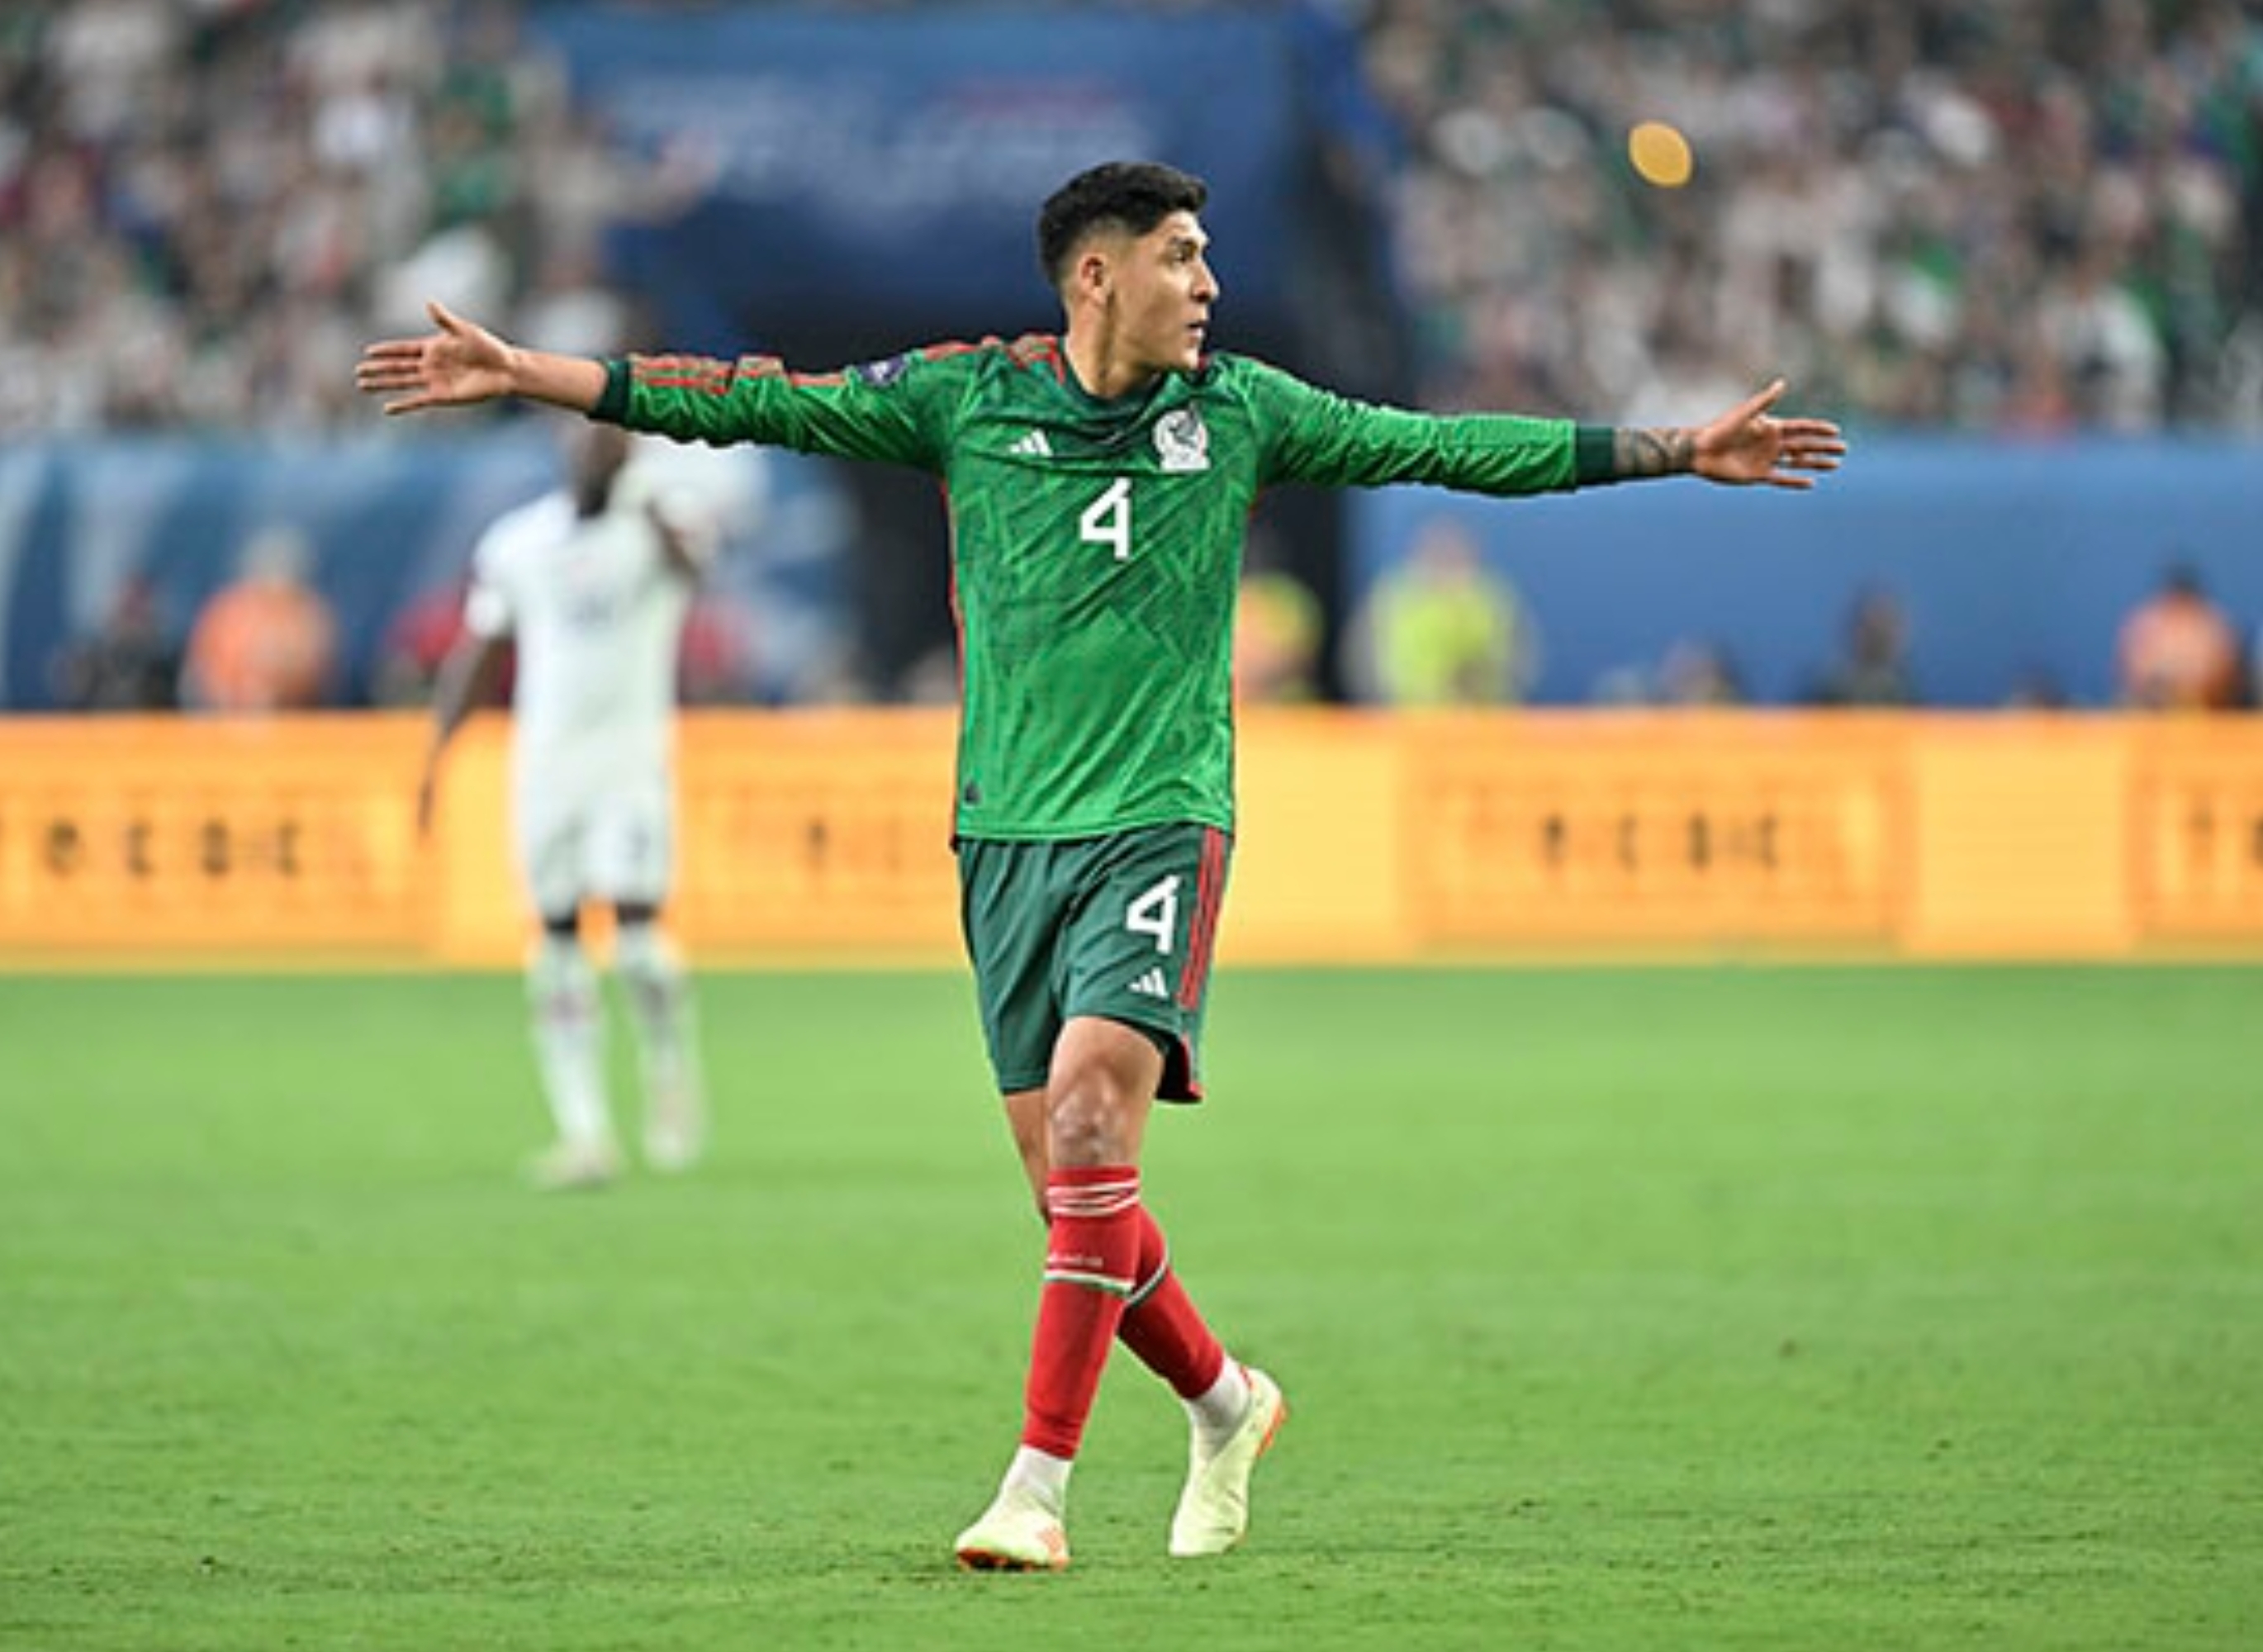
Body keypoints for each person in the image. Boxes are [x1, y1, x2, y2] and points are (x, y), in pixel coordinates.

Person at [357, 159, 1845, 1570]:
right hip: (1006, 837)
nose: (1208, 285)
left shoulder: (1243, 410)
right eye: (1181, 258)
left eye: (1208, 258)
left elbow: (1448, 447)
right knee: (1079, 1198)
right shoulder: (963, 399)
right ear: (1096, 275)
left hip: (1159, 816)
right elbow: (750, 400)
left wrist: (1674, 450)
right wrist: (529, 371)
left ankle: (1036, 1490)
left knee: (1086, 1118)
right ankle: (1225, 1400)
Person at [418, 420, 713, 1190]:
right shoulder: (519, 544)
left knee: (638, 941)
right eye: (588, 439)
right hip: (545, 770)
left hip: (630, 766)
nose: (598, 451)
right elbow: (481, 651)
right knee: (554, 946)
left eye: (614, 440)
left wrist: (644, 497)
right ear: (565, 449)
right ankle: (584, 1134)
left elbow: (694, 571)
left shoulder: (660, 526)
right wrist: (437, 755)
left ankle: (668, 1065)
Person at [178, 525, 339, 714]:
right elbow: (206, 671)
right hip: (224, 716)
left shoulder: (309, 616)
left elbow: (318, 674)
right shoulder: (229, 613)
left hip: (294, 718)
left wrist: (282, 672)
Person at [2115, 562, 2242, 711]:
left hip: (2205, 707)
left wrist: (2188, 687)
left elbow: (2223, 673)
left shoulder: (2213, 624)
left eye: (2183, 601)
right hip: (2147, 705)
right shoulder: (2145, 621)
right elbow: (2130, 669)